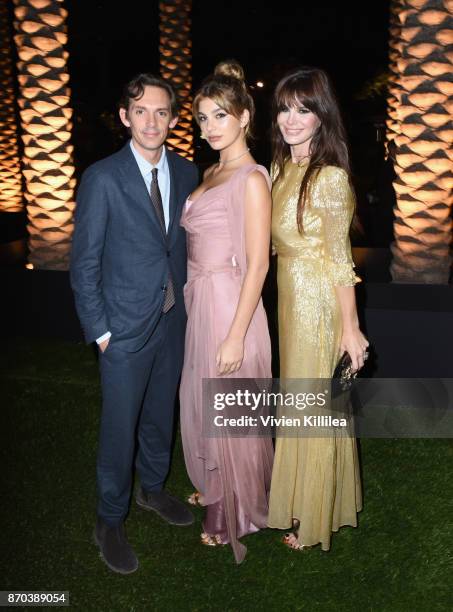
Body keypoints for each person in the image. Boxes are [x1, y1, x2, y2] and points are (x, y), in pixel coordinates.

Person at [70, 74, 199, 574]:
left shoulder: (187, 172)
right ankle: (109, 518)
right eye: (141, 111)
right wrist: (100, 330)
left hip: (172, 319)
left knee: (159, 413)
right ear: (125, 117)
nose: (151, 121)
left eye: (161, 112)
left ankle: (152, 489)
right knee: (119, 427)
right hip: (121, 327)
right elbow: (84, 263)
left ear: (171, 119)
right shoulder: (102, 178)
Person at [267, 67, 369, 550]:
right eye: (286, 107)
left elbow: (341, 261)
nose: (292, 119)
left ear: (320, 116)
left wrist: (350, 329)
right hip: (289, 301)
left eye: (303, 109)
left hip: (318, 305)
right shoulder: (280, 169)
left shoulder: (328, 178)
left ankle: (313, 522)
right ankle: (300, 500)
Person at [179, 60, 274, 564]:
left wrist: (236, 335)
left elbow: (258, 265)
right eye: (202, 118)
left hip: (231, 306)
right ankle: (217, 487)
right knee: (204, 399)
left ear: (243, 117)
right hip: (200, 302)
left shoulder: (251, 178)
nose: (210, 126)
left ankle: (233, 510)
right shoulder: (211, 171)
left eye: (220, 115)